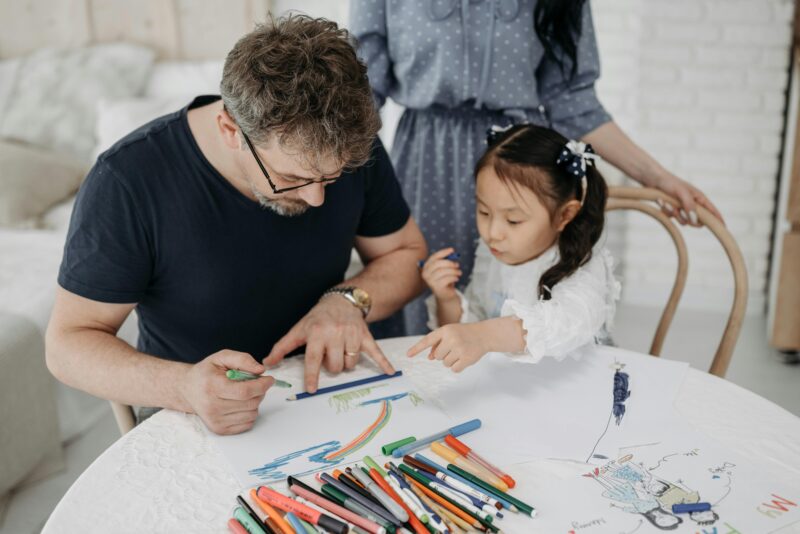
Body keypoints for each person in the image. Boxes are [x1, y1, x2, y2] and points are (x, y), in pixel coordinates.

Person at [45, 15, 427, 435]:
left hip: (325, 391)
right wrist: (183, 387)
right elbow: (67, 345)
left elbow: (408, 256)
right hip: (193, 409)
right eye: (294, 178)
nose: (317, 197)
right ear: (230, 129)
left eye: (332, 178)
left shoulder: (346, 146)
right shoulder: (128, 180)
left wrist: (349, 299)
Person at [350, 0, 723, 336]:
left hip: (523, 166)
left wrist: (660, 179)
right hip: (428, 165)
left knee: (534, 294)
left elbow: (573, 101)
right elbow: (361, 93)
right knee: (431, 291)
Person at [407, 124, 619, 371]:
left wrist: (484, 335)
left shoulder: (581, 264)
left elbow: (566, 322)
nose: (492, 233)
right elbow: (473, 326)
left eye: (513, 220)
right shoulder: (494, 253)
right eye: (484, 211)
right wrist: (447, 299)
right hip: (512, 385)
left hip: (576, 385)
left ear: (564, 215)